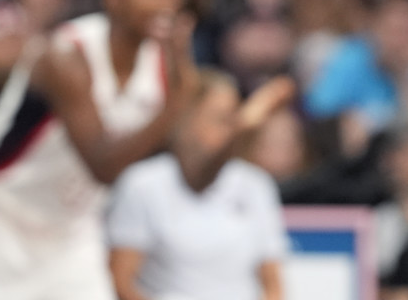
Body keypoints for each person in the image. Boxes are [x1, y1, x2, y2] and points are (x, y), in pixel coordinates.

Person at [0, 0, 197, 300]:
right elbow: (102, 164)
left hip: (71, 231)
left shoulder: (167, 62)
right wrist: (176, 101)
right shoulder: (67, 55)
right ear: (113, 0)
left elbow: (184, 158)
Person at [106, 69, 294, 300]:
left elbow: (273, 285)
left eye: (233, 119)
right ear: (185, 119)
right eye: (220, 119)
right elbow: (121, 281)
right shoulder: (141, 183)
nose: (228, 129)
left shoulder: (256, 185)